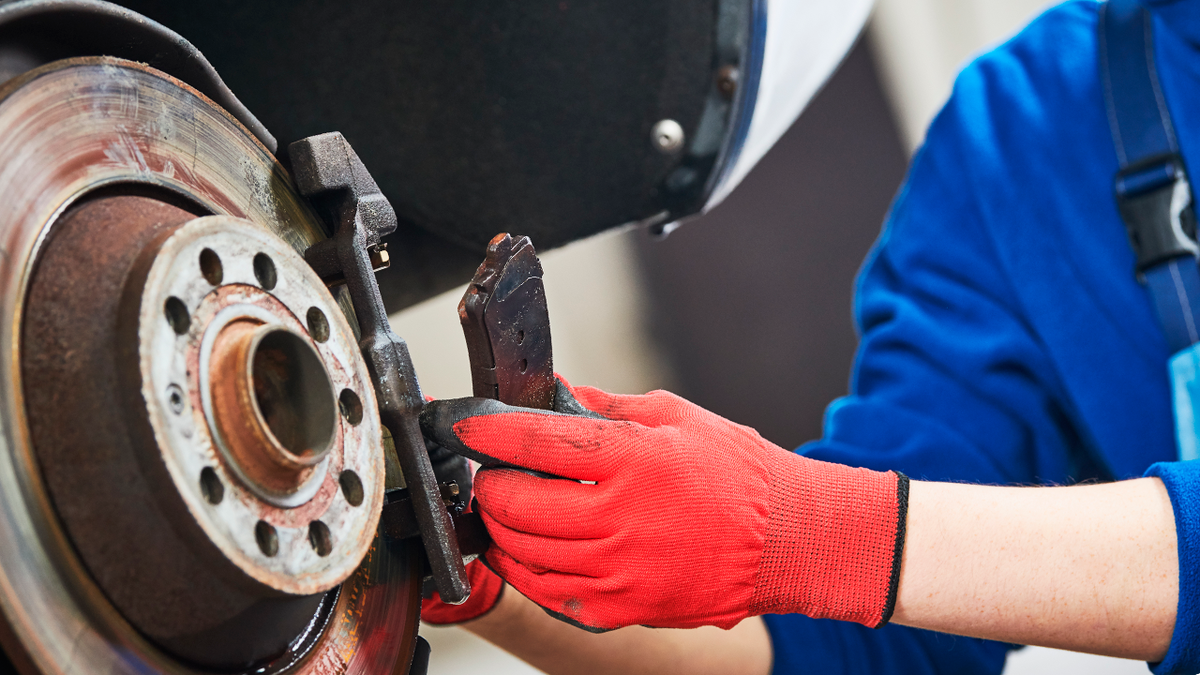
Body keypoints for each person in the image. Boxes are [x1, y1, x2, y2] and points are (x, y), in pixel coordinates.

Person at [417, 0, 1200, 673]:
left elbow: (860, 551)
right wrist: (492, 579)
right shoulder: (1022, 135)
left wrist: (826, 532)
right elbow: (864, 641)